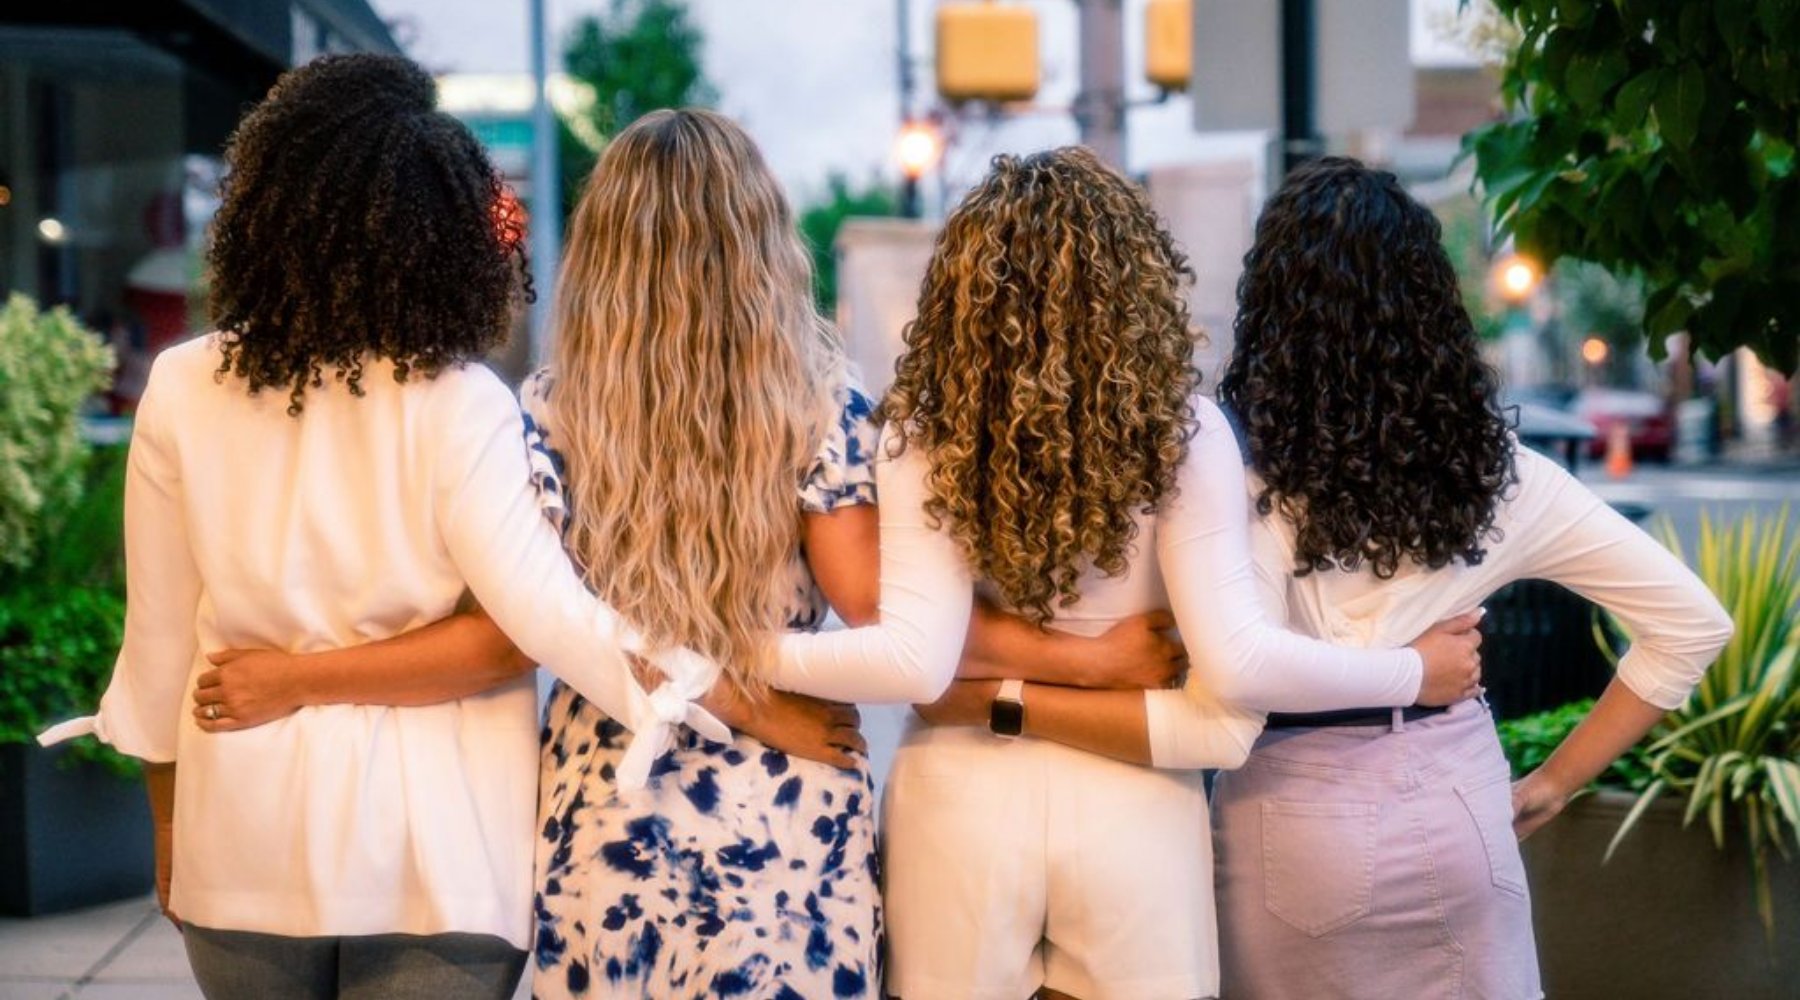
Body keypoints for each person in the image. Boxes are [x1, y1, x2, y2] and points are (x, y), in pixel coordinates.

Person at [186, 111, 1183, 999]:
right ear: (760, 245)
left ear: (603, 251)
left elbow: (527, 629)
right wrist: (1081, 659)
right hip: (785, 816)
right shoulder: (817, 408)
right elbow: (894, 620)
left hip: (610, 803)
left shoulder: (541, 412)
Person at [922, 157, 1735, 1000]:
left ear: (1269, 307)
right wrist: (1553, 784)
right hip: (1462, 807)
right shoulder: (1506, 477)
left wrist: (999, 694)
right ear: (1434, 306)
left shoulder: (1236, 477)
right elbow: (1692, 624)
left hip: (1291, 822)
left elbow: (1233, 682)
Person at [34, 55, 733, 1000]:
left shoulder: (183, 388)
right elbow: (537, 621)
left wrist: (170, 833)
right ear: (438, 234)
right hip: (442, 857)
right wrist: (713, 691)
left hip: (245, 833)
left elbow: (158, 650)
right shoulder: (458, 402)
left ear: (266, 207)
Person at [864, 147, 1481, 1000]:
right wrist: (1414, 671)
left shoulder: (919, 438)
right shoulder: (1186, 436)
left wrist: (981, 692)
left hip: (959, 797)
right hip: (1137, 808)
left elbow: (922, 664)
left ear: (963, 294)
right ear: (1136, 284)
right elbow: (1229, 689)